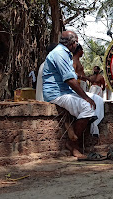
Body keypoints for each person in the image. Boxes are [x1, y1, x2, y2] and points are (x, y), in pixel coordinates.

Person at [42, 31, 104, 160]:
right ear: (73, 43)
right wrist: (85, 98)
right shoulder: (59, 54)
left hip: (65, 92)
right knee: (87, 106)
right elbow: (69, 80)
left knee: (96, 100)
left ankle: (91, 136)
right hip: (56, 93)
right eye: (76, 42)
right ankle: (73, 144)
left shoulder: (64, 53)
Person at [71, 46, 104, 137]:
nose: (83, 52)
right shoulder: (74, 60)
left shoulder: (77, 60)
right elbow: (73, 74)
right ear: (79, 51)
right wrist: (85, 78)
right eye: (82, 50)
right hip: (79, 84)